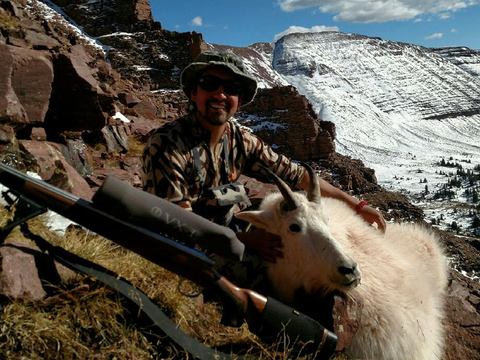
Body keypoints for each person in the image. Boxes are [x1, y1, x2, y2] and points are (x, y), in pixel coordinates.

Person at [142, 51, 386, 268]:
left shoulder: (241, 140)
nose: (220, 94)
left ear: (239, 99)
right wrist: (246, 241)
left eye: (232, 88)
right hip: (192, 250)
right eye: (210, 84)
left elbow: (298, 176)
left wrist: (356, 205)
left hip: (230, 231)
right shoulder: (167, 144)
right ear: (194, 93)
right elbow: (176, 225)